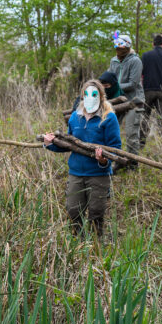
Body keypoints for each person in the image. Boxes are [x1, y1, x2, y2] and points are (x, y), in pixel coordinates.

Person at [44, 79, 121, 236]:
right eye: (86, 94)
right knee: (73, 210)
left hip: (98, 174)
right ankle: (78, 243)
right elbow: (69, 144)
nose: (89, 97)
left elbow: (116, 148)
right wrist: (50, 144)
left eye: (93, 94)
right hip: (76, 173)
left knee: (96, 212)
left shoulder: (109, 118)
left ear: (100, 96)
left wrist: (104, 160)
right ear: (82, 96)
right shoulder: (75, 117)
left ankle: (96, 246)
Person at [108, 32, 145, 172]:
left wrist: (115, 86)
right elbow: (110, 78)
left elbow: (133, 84)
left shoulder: (135, 61)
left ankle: (132, 164)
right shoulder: (114, 61)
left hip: (134, 101)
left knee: (131, 134)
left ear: (128, 47)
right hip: (118, 101)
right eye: (117, 47)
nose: (119, 51)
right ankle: (117, 160)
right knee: (112, 132)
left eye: (121, 47)